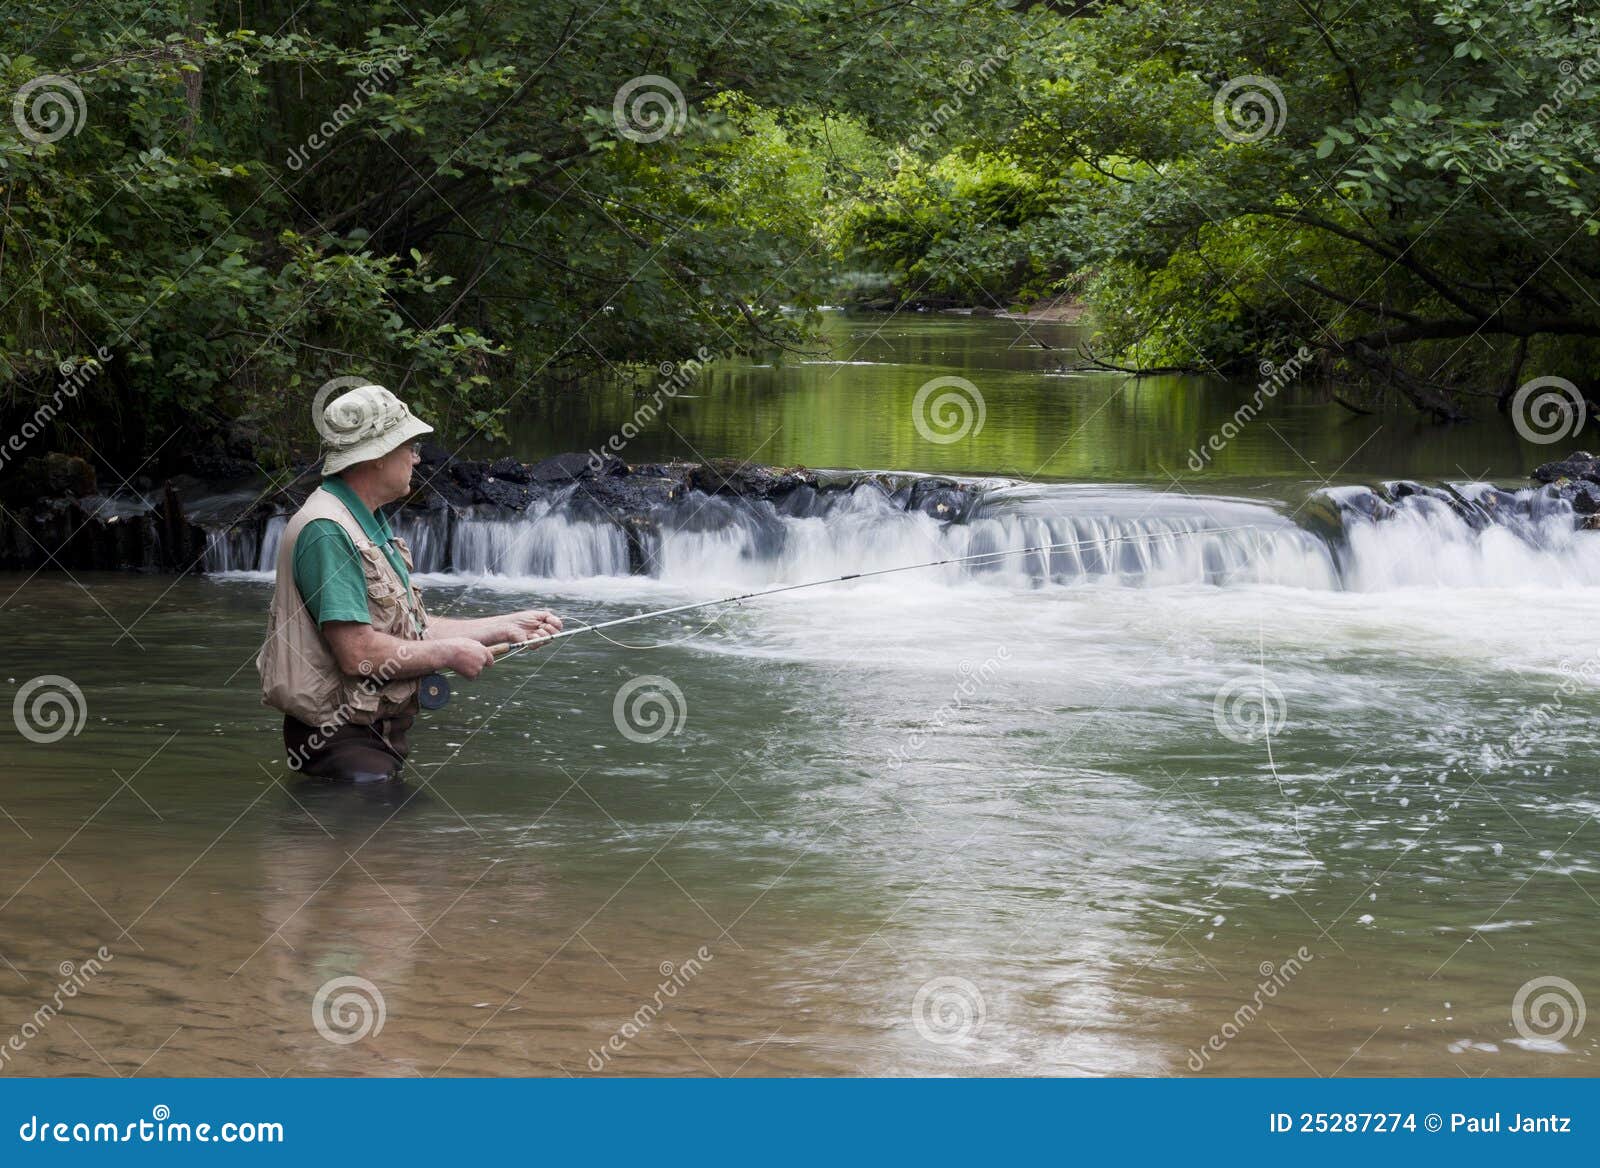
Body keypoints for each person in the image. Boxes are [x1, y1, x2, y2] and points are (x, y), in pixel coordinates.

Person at [258, 384, 562, 782]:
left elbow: (410, 631)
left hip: (363, 742)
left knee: (406, 844)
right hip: (340, 743)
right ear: (378, 457)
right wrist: (449, 654)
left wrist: (501, 627)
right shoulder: (328, 532)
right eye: (410, 447)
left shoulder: (363, 522)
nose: (416, 459)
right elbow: (358, 652)